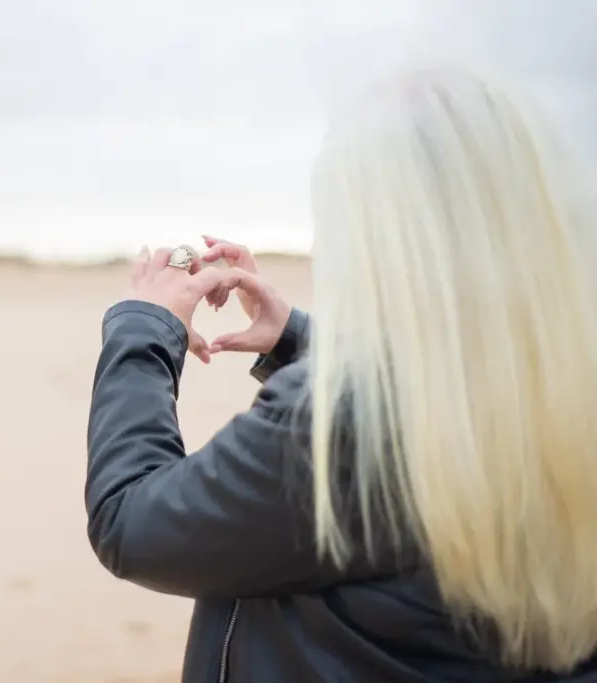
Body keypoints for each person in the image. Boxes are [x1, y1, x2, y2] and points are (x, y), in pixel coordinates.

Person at [84, 68, 597, 682]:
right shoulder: (562, 379)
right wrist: (298, 339)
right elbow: (446, 388)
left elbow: (132, 523)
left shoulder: (338, 425)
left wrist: (145, 327)